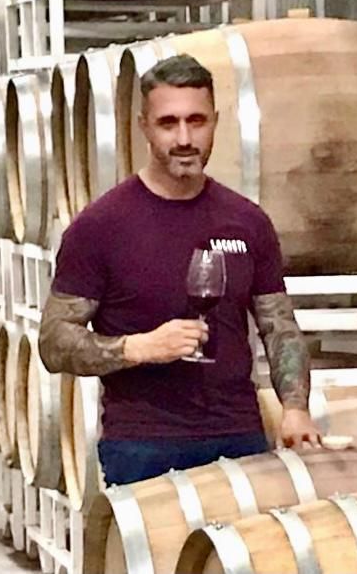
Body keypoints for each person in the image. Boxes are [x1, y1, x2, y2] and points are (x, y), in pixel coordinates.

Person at [38, 54, 320, 486]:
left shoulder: (247, 221)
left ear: (216, 122)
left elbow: (278, 326)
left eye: (197, 121)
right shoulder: (101, 226)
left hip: (239, 436)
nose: (185, 138)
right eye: (168, 123)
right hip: (142, 444)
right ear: (144, 127)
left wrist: (295, 407)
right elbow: (53, 342)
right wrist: (137, 348)